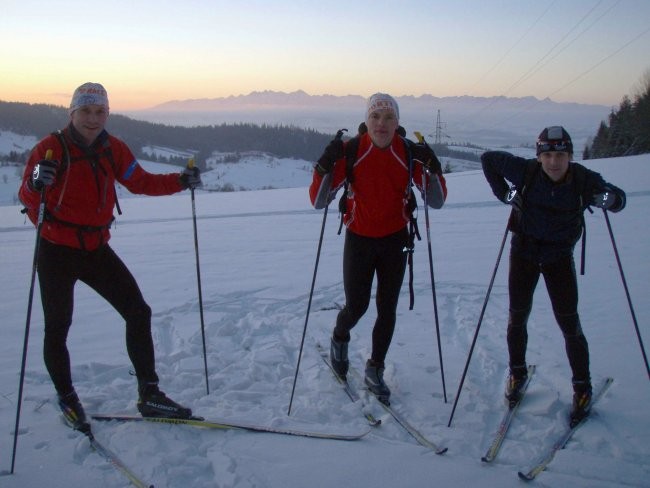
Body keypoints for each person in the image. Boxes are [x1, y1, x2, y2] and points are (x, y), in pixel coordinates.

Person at [18, 82, 202, 432]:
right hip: (56, 249)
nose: (92, 118)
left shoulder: (112, 149)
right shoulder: (50, 149)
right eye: (85, 111)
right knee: (58, 327)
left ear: (107, 113)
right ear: (72, 113)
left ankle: (149, 393)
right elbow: (27, 198)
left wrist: (181, 181)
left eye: (99, 111)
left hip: (95, 249)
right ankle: (67, 397)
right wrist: (36, 183)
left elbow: (141, 181)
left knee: (138, 311)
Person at [481, 125, 626, 425]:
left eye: (560, 155)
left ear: (570, 156)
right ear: (539, 156)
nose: (553, 162)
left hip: (559, 257)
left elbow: (619, 198)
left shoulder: (583, 179)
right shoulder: (527, 171)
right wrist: (506, 194)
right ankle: (517, 373)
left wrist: (609, 200)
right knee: (517, 316)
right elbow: (488, 159)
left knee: (569, 323)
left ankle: (582, 387)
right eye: (547, 154)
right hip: (524, 252)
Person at [309, 93, 447, 404]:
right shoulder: (353, 150)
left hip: (395, 239)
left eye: (388, 117)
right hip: (358, 238)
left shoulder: (408, 153)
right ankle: (339, 337)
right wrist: (323, 166)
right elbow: (318, 201)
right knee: (356, 306)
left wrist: (432, 169)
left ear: (397, 122)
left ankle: (375, 367)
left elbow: (436, 201)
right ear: (367, 121)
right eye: (376, 117)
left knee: (387, 308)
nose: (381, 123)